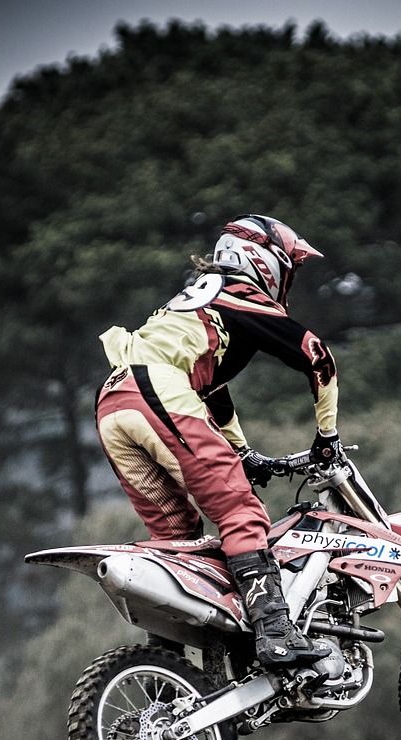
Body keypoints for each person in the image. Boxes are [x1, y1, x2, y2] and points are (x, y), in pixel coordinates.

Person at [95, 214, 341, 667]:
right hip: (156, 391)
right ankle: (276, 633)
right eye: (289, 268)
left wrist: (241, 451)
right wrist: (327, 437)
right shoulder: (239, 293)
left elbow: (211, 391)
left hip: (113, 402)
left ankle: (164, 665)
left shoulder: (195, 301)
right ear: (263, 259)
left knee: (176, 535)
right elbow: (317, 357)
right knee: (240, 510)